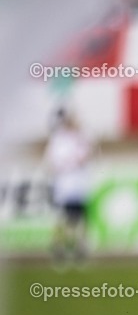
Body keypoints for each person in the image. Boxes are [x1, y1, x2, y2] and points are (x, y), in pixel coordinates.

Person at [44, 109, 92, 265]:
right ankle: (59, 248)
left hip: (79, 186)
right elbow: (53, 163)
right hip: (64, 187)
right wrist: (69, 163)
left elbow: (84, 157)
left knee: (81, 218)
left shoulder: (80, 137)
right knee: (63, 218)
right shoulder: (58, 140)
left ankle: (80, 248)